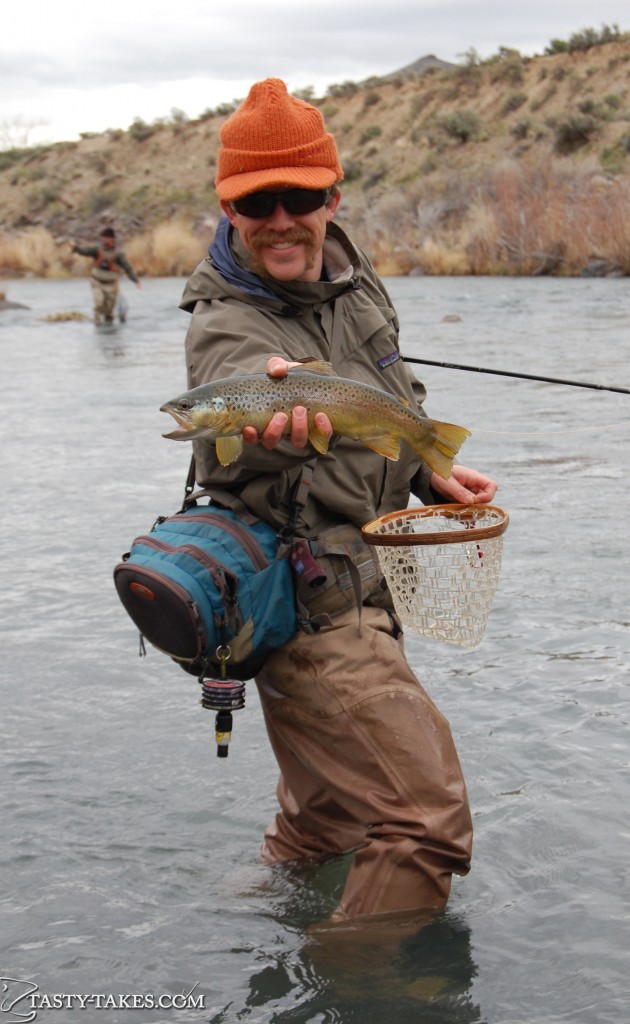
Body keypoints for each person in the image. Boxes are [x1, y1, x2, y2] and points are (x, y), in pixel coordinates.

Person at [179, 78, 498, 933]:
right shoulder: (223, 325)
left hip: (370, 583)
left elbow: (400, 391)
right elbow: (221, 405)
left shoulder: (355, 285)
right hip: (312, 606)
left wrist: (434, 474)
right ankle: (362, 989)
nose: (283, 219)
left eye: (302, 197)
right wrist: (271, 428)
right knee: (427, 823)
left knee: (326, 821)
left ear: (333, 196)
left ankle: (235, 920)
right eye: (259, 202)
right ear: (229, 207)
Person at [71, 226, 140, 324]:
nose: (103, 240)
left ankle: (108, 330)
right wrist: (76, 248)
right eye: (102, 238)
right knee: (98, 303)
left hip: (111, 285)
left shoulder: (118, 254)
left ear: (111, 238)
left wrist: (135, 280)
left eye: (105, 238)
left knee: (108, 311)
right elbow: (84, 251)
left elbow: (127, 267)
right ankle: (97, 324)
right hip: (97, 282)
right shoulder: (96, 249)